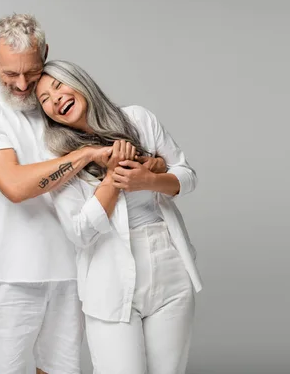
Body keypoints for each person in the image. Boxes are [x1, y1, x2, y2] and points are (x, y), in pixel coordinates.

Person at [0, 14, 167, 374]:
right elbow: (15, 186)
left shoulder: (62, 107)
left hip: (75, 271)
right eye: (10, 73)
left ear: (46, 54)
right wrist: (85, 155)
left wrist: (153, 165)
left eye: (31, 71)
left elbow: (135, 159)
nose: (22, 84)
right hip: (11, 273)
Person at [34, 60, 204, 374]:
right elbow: (79, 233)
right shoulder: (58, 157)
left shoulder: (138, 119)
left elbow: (186, 175)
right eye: (45, 99)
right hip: (109, 275)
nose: (56, 99)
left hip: (169, 263)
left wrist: (149, 180)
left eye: (59, 86)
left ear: (80, 82)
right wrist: (112, 179)